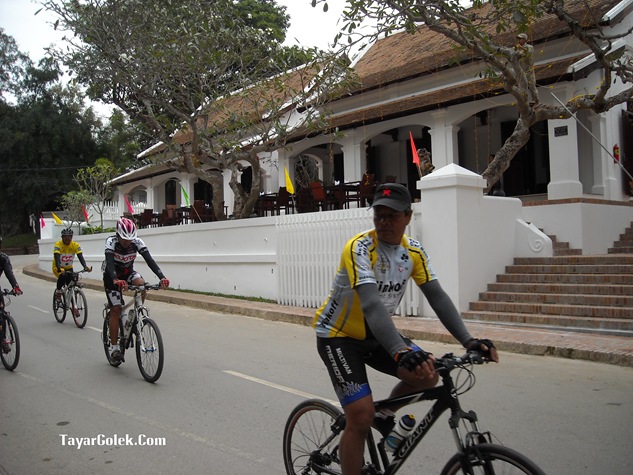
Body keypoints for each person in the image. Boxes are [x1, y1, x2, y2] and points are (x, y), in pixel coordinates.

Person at [312, 183, 499, 475]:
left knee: (428, 375)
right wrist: (400, 351)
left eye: (393, 215)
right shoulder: (359, 248)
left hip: (378, 333)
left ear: (408, 216)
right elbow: (371, 304)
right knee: (360, 417)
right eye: (379, 215)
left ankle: (385, 413)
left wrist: (468, 340)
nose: (384, 221)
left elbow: (437, 296)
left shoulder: (413, 251)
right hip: (339, 336)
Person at [103, 217, 169, 363]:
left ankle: (135, 314)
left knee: (142, 285)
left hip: (128, 273)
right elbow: (109, 263)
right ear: (117, 234)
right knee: (116, 309)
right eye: (124, 239)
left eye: (130, 239)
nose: (127, 242)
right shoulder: (111, 242)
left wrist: (162, 277)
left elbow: (149, 260)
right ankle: (114, 348)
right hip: (112, 276)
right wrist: (115, 279)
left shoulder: (137, 242)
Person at [52, 228, 92, 301]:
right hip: (58, 267)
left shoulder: (75, 245)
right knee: (63, 276)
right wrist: (59, 268)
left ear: (72, 237)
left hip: (69, 267)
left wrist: (85, 267)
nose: (67, 238)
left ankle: (72, 300)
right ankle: (58, 291)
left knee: (72, 280)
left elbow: (80, 257)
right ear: (62, 237)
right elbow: (57, 258)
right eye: (65, 236)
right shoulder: (58, 245)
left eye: (69, 236)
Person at [0, 237, 23, 353]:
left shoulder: (3, 258)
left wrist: (15, 287)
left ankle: (3, 340)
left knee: (1, 313)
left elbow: (9, 273)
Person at [515, 33, 539, 105]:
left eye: (520, 39)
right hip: (521, 71)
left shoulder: (529, 47)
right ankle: (525, 102)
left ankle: (537, 101)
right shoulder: (517, 49)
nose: (519, 40)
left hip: (529, 70)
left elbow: (528, 53)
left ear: (524, 39)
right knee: (522, 87)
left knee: (532, 86)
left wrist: (521, 48)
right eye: (518, 39)